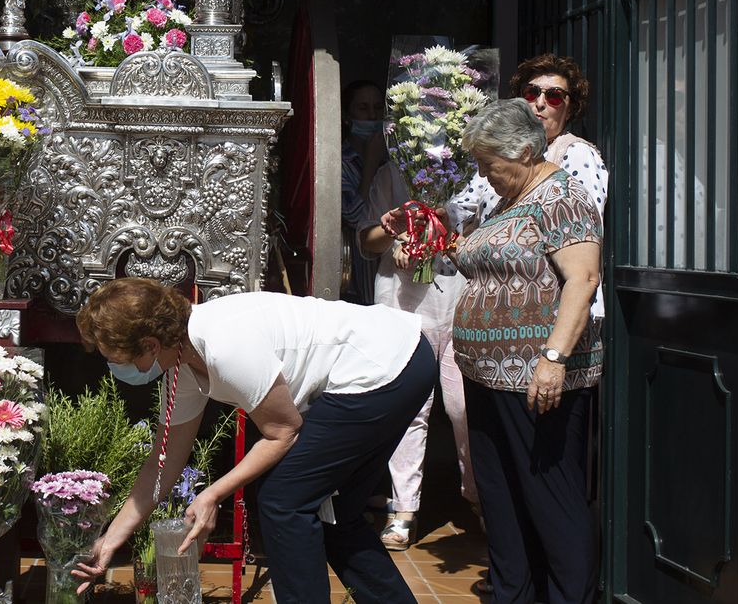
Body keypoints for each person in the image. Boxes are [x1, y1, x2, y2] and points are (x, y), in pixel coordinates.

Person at [70, 278, 436, 604]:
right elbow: (163, 463)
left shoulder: (222, 345)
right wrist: (109, 541)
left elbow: (283, 432)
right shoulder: (180, 359)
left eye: (115, 358)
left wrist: (213, 494)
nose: (113, 367)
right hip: (395, 358)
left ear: (149, 345)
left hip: (386, 364)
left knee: (284, 501)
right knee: (334, 514)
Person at [382, 99, 602, 603]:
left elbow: (583, 278)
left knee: (550, 498)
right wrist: (430, 235)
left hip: (535, 379)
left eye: (489, 165)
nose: (484, 175)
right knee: (502, 496)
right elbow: (486, 263)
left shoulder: (561, 198)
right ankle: (513, 593)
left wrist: (553, 358)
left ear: (524, 150)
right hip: (486, 374)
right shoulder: (508, 202)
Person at [358, 157, 476, 550]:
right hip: (403, 302)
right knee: (411, 407)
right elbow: (365, 239)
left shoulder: (475, 171)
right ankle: (403, 508)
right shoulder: (393, 170)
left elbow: (485, 228)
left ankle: (479, 497)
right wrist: (396, 240)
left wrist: (448, 238)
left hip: (460, 297)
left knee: (464, 405)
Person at [451, 53, 608, 319]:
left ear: (570, 108)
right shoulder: (499, 154)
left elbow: (581, 240)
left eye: (555, 96)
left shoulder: (576, 153)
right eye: (531, 93)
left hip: (549, 312)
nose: (541, 103)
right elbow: (460, 213)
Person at [341, 79, 384, 302]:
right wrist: (370, 163)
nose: (372, 117)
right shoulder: (341, 162)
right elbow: (354, 217)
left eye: (378, 108)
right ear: (347, 116)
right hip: (357, 280)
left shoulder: (396, 159)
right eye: (363, 108)